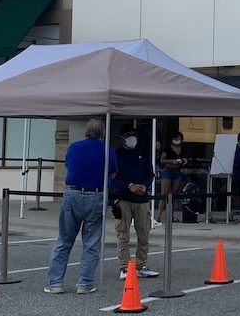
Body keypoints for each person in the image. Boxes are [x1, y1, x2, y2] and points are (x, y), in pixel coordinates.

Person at [45, 118, 117, 294]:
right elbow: (113, 172)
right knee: (91, 243)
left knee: (64, 240)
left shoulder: (74, 147)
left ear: (86, 132)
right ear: (103, 133)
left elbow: (69, 166)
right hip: (96, 194)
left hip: (73, 193)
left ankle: (55, 283)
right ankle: (85, 283)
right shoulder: (108, 150)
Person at [113, 125, 158, 280]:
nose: (131, 137)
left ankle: (141, 265)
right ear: (122, 137)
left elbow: (150, 174)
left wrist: (145, 185)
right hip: (124, 199)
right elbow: (113, 177)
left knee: (144, 233)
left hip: (142, 199)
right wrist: (129, 185)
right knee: (123, 234)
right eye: (128, 134)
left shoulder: (143, 153)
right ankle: (124, 266)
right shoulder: (117, 154)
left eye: (133, 134)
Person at [155, 131, 185, 225]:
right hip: (168, 170)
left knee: (173, 195)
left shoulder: (182, 148)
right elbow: (162, 160)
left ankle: (171, 216)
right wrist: (172, 161)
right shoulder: (167, 148)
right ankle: (158, 216)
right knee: (164, 195)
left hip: (177, 171)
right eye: (176, 139)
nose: (177, 140)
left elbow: (185, 158)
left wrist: (183, 161)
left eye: (179, 139)